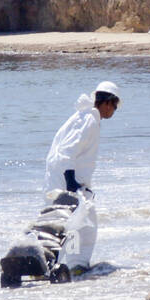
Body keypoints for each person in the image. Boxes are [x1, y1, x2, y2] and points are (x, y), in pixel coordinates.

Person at [43, 82, 121, 280]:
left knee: (61, 224)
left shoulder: (84, 116)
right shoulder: (90, 121)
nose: (114, 111)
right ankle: (74, 268)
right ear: (107, 103)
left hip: (58, 177)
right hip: (67, 179)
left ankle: (54, 264)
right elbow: (68, 150)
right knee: (83, 225)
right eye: (115, 105)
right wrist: (70, 181)